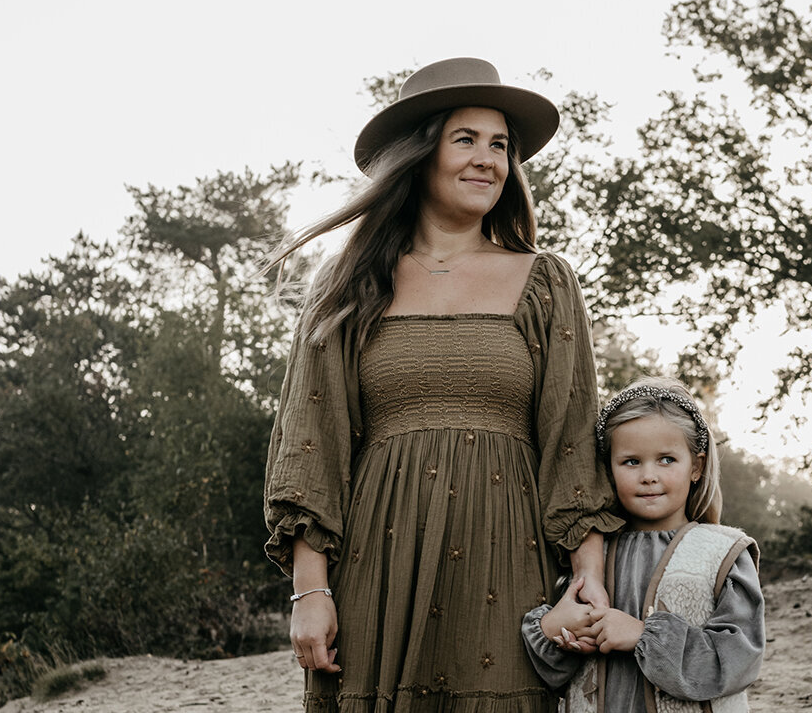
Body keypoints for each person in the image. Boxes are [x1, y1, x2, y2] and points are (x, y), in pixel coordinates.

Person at [262, 57, 625, 713]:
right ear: (420, 154)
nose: (488, 159)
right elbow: (310, 446)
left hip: (508, 570)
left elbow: (573, 441)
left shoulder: (546, 281)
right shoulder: (344, 284)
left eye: (501, 145)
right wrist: (309, 592)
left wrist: (589, 577)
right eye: (467, 139)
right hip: (375, 574)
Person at [521, 377, 765, 712]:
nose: (648, 475)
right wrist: (554, 631)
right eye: (631, 461)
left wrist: (643, 635)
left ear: (696, 466)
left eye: (666, 459)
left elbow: (739, 660)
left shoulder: (724, 552)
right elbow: (551, 676)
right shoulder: (588, 553)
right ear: (608, 470)